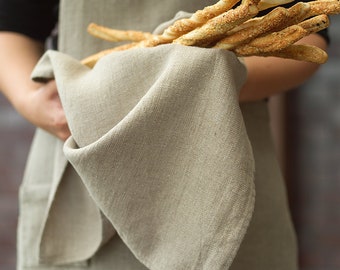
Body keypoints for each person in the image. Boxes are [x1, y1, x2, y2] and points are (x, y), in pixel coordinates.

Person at [0, 0, 329, 269]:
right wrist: (33, 100)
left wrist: (206, 79)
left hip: (220, 166)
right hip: (74, 150)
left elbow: (307, 31)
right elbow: (10, 27)